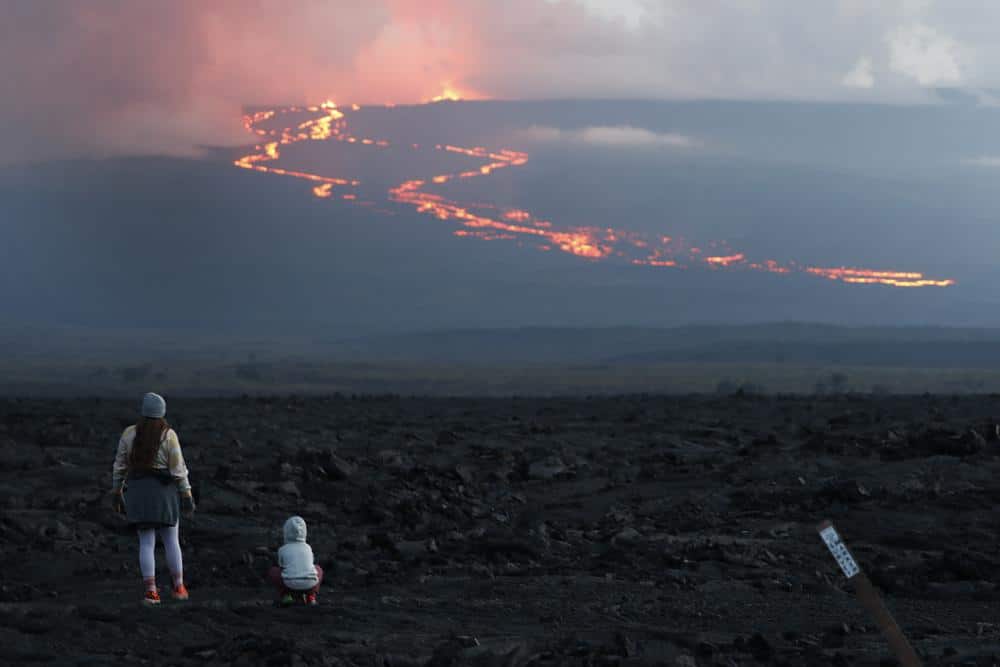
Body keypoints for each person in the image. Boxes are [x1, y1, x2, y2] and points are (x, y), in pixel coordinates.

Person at [110, 392, 196, 605]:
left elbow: (120, 466)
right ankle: (179, 587)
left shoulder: (129, 434)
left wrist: (117, 492)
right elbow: (178, 469)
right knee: (171, 541)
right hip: (164, 494)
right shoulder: (169, 435)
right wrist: (187, 494)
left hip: (138, 492)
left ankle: (151, 592)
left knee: (146, 543)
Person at [269, 516, 323, 606]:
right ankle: (311, 597)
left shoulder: (283, 549)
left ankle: (287, 597)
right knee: (318, 569)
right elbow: (311, 564)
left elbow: (281, 566)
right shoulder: (308, 547)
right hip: (310, 585)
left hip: (290, 585)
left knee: (274, 571)